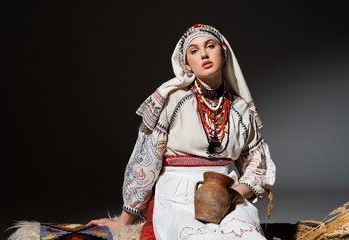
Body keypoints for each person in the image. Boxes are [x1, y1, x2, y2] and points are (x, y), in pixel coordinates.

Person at [87, 24, 276, 240]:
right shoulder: (173, 101)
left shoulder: (241, 109)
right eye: (194, 51)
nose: (204, 54)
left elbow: (257, 164)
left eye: (210, 46)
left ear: (224, 54)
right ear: (186, 64)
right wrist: (124, 219)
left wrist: (238, 192)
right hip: (177, 195)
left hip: (226, 192)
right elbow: (147, 161)